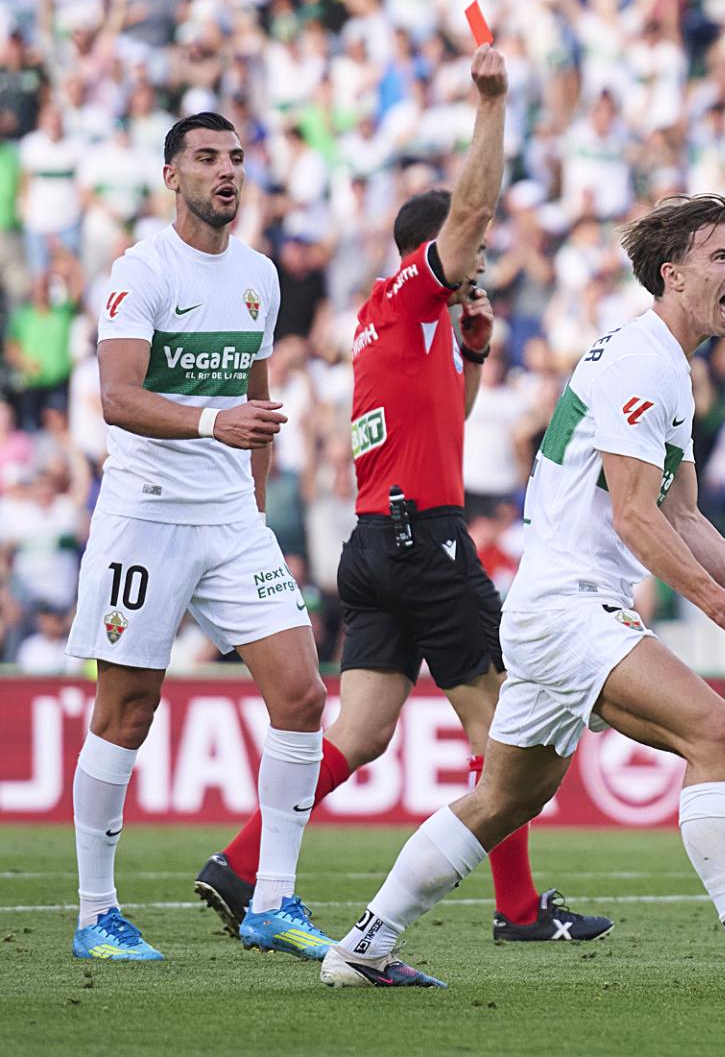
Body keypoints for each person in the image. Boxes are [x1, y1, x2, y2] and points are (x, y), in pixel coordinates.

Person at [320, 194, 725, 995]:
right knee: (715, 732)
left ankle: (362, 947)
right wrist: (719, 607)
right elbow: (636, 515)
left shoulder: (665, 363)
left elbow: (683, 514)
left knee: (501, 800)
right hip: (568, 607)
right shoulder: (642, 362)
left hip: (552, 608)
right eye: (722, 257)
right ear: (673, 275)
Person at [192, 46, 612, 946]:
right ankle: (518, 910)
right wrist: (491, 103)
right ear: (439, 252)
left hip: (376, 544)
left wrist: (472, 353)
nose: (482, 263)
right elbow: (473, 210)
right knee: (502, 725)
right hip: (426, 542)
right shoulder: (417, 293)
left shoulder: (391, 320)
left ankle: (237, 862)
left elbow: (445, 427)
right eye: (475, 255)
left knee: (362, 732)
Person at [63, 112, 329, 961]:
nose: (227, 172)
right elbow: (118, 397)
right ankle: (95, 914)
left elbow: (256, 402)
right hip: (146, 515)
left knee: (303, 696)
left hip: (230, 521)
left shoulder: (258, 275)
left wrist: (256, 509)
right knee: (127, 710)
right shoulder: (141, 270)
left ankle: (273, 902)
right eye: (207, 158)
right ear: (172, 175)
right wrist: (216, 423)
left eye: (236, 159)